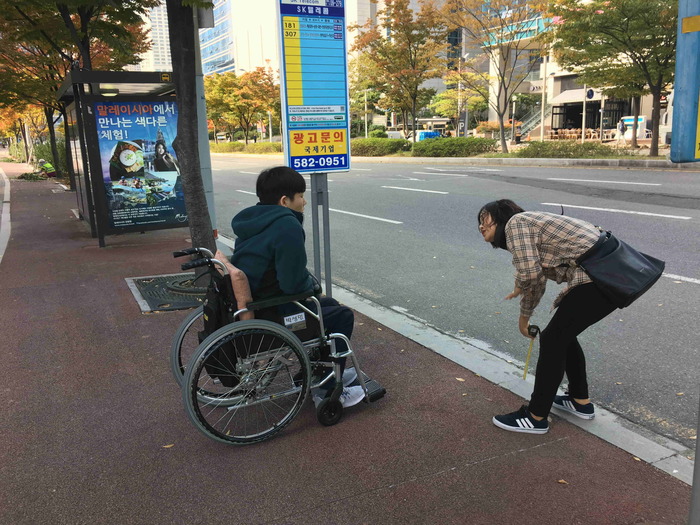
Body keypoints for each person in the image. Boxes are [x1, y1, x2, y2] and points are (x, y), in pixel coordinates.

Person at [215, 166, 364, 408]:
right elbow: (292, 283)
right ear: (285, 200)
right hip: (272, 312)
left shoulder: (253, 219)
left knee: (329, 306)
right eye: (301, 196)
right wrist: (312, 287)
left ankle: (319, 372)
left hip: (256, 300)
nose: (304, 202)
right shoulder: (286, 226)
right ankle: (326, 391)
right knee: (341, 316)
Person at [477, 199, 617, 434]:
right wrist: (523, 296)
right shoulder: (529, 225)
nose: (481, 225)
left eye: (485, 219)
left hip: (599, 277)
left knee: (553, 339)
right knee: (563, 336)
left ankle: (535, 416)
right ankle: (579, 401)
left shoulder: (515, 223)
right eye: (479, 222)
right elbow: (537, 277)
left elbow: (531, 275)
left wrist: (524, 316)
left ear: (502, 216)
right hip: (610, 274)